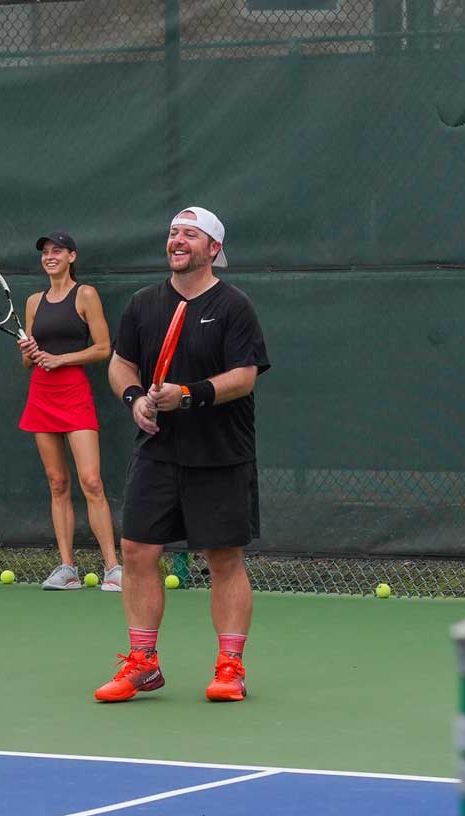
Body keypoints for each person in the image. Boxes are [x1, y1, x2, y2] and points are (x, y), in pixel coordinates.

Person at [98, 207, 270, 702]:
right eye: (173, 232)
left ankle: (230, 666)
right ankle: (143, 663)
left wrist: (188, 395)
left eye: (189, 235)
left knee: (223, 558)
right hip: (158, 451)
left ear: (213, 249)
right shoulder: (142, 303)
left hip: (221, 452)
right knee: (136, 551)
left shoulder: (235, 306)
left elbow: (244, 376)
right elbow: (122, 364)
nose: (177, 240)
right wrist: (135, 401)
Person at [18, 231, 122, 591]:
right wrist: (29, 352)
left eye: (57, 251)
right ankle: (67, 568)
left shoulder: (86, 295)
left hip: (74, 393)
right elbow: (27, 363)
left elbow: (104, 348)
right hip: (41, 396)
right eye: (45, 252)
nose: (50, 256)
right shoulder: (34, 301)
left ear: (71, 257)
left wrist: (61, 358)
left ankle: (112, 568)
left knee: (91, 481)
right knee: (57, 483)